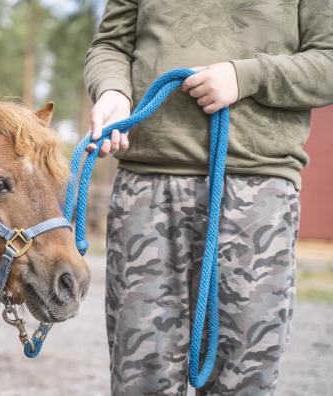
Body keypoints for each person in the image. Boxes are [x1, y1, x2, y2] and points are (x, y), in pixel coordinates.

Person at [83, 1, 333, 395]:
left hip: (256, 192)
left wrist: (247, 75)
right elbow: (112, 44)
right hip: (146, 189)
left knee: (243, 377)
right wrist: (113, 91)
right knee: (140, 377)